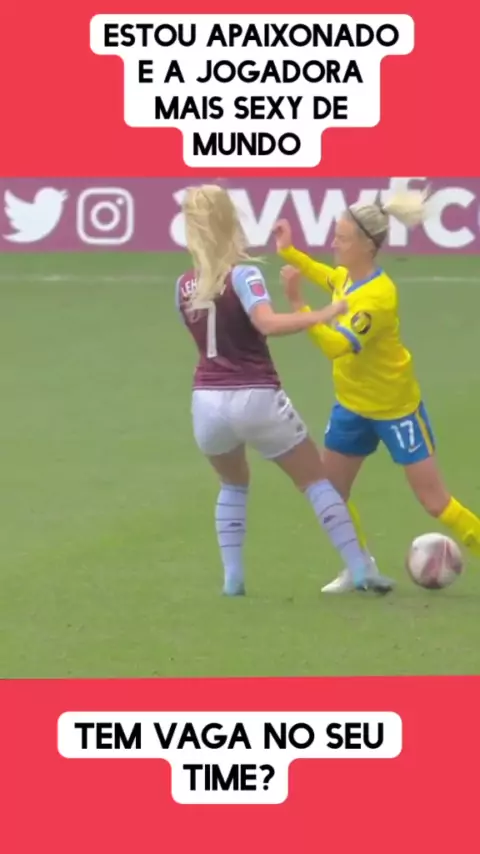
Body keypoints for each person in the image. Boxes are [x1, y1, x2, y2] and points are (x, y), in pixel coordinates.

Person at [176, 183, 394, 596]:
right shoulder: (244, 274)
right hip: (256, 396)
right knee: (316, 481)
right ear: (230, 221)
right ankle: (359, 569)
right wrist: (322, 313)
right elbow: (267, 323)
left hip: (206, 402)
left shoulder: (184, 285)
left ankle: (233, 579)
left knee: (232, 484)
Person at [275, 191, 480, 593]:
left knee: (435, 502)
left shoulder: (378, 297)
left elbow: (337, 346)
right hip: (352, 407)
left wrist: (299, 305)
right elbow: (326, 275)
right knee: (332, 493)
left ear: (367, 245)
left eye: (342, 238)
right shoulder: (347, 277)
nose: (334, 243)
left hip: (396, 410)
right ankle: (360, 567)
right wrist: (290, 252)